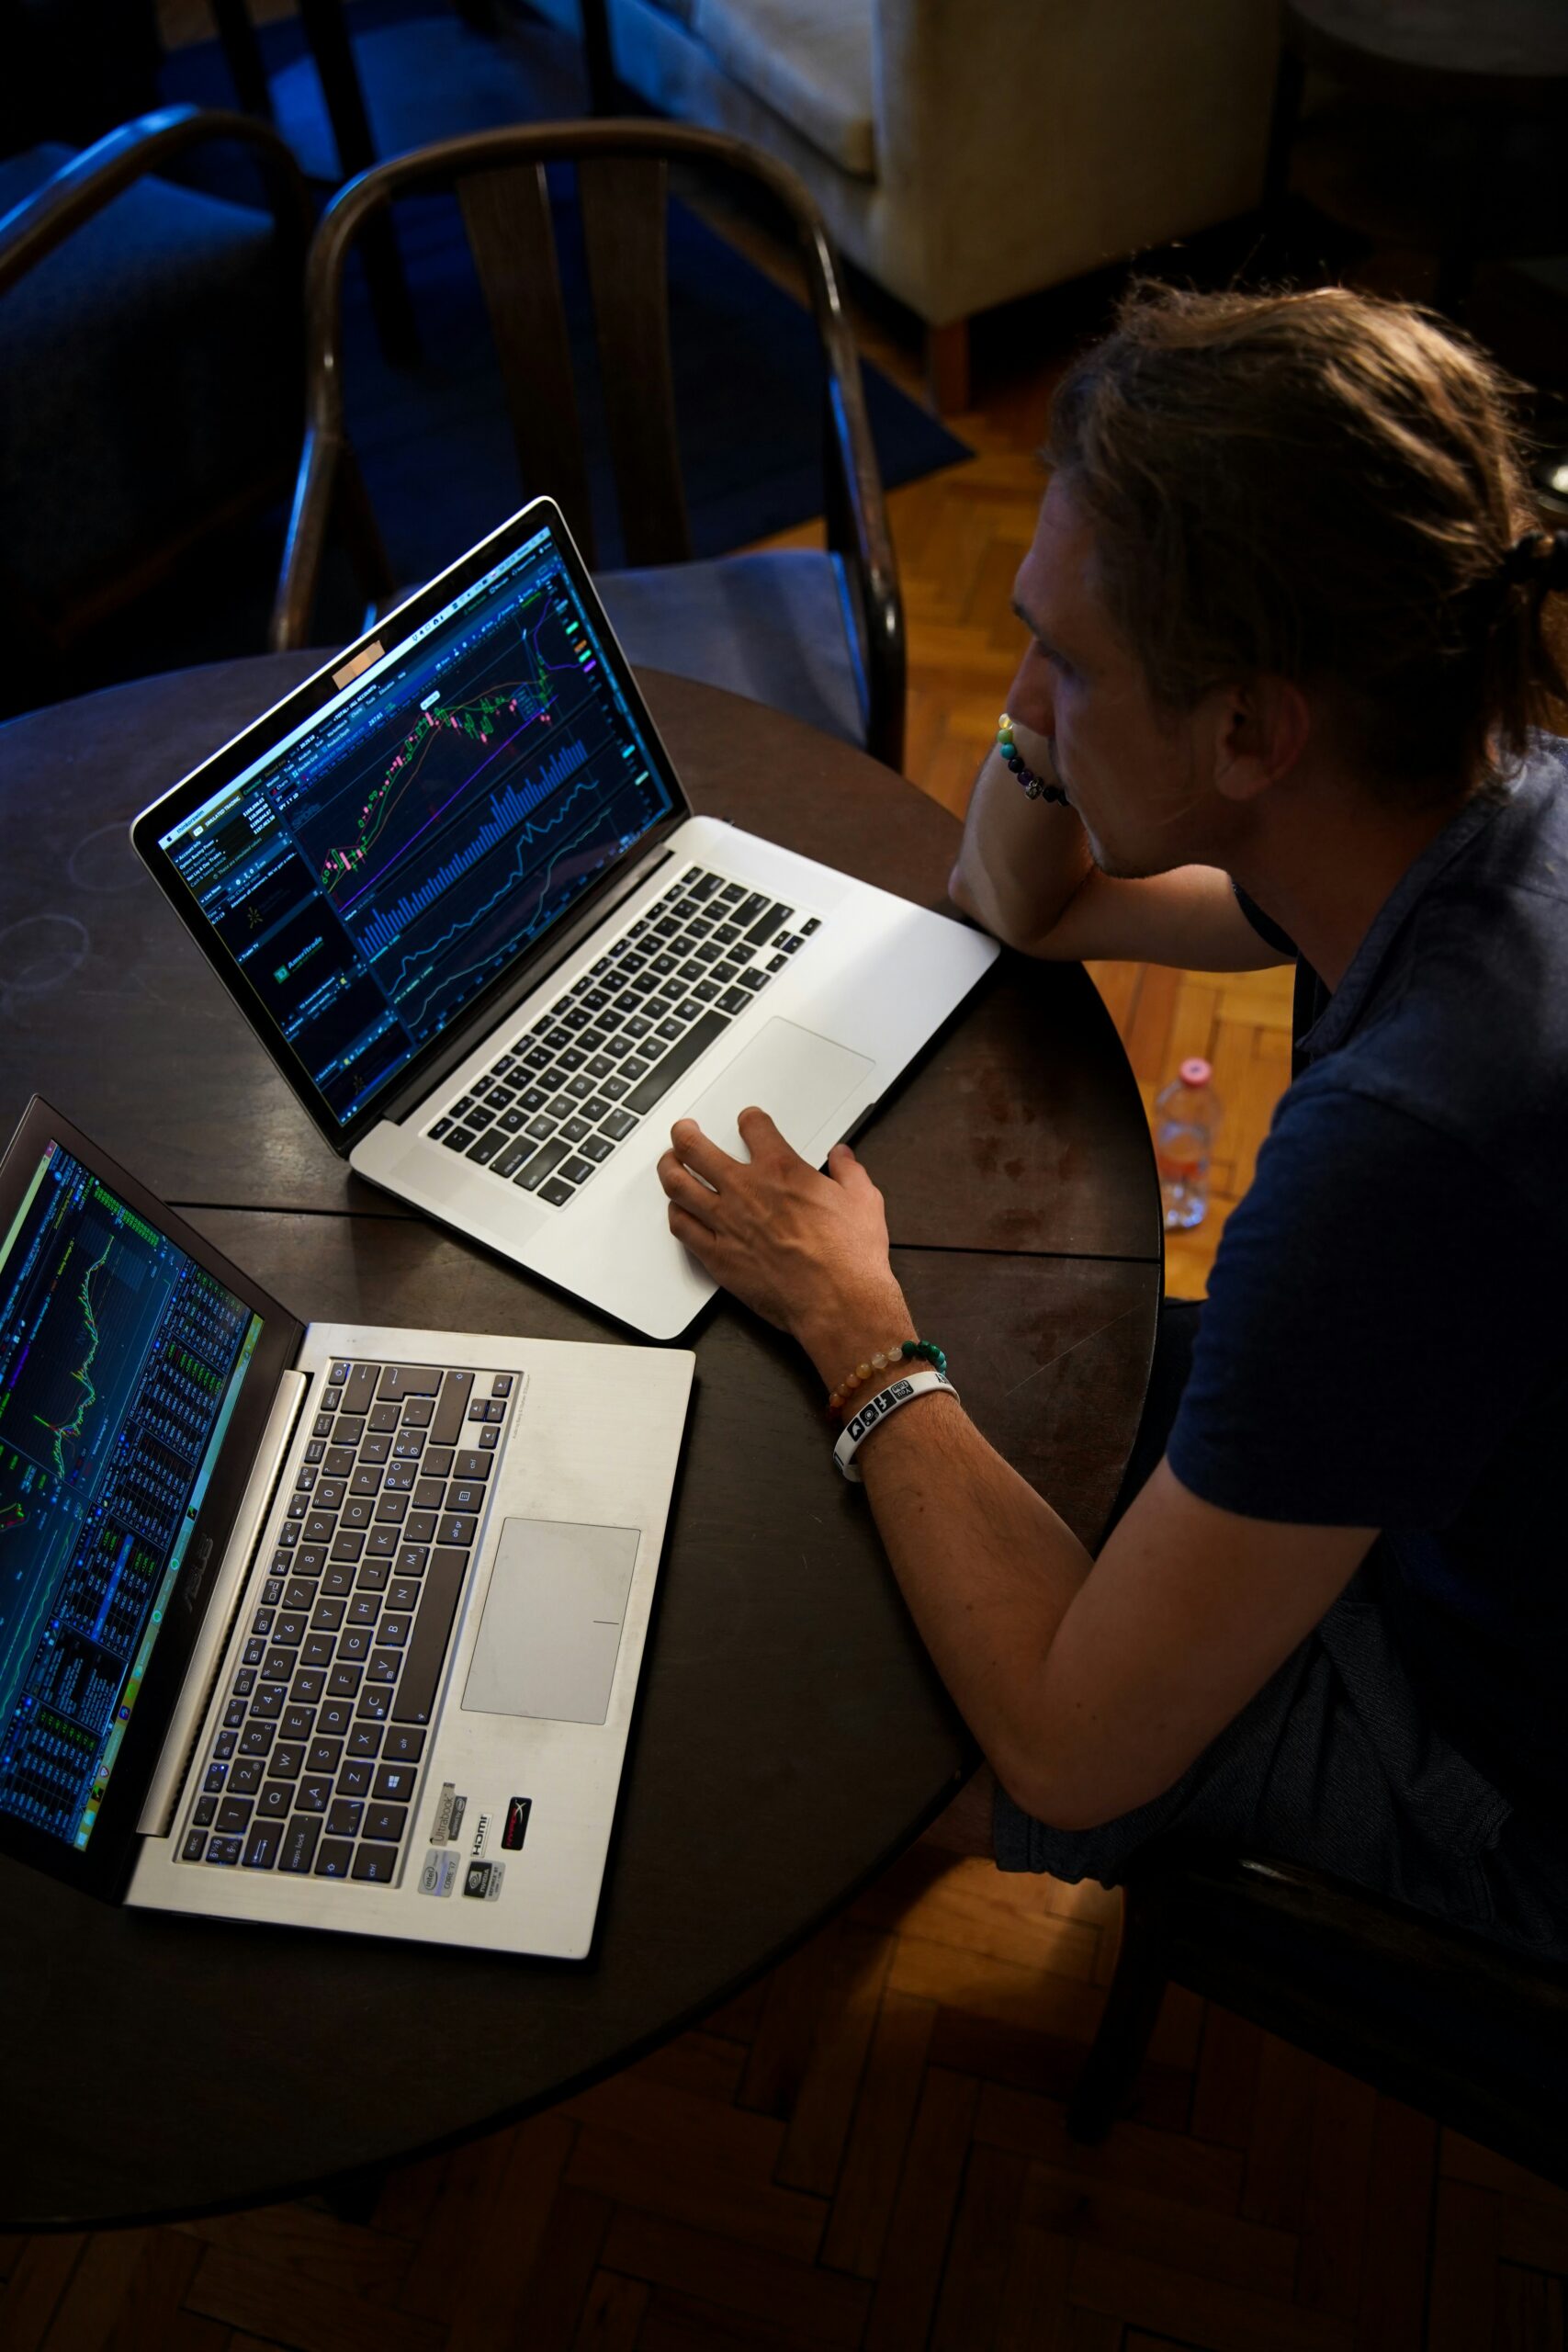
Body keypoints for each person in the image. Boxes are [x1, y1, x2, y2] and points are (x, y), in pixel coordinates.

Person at [653, 281, 1568, 1953]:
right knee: (990, 1396)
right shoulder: (1473, 804)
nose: (1025, 695)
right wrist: (1063, 680)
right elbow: (1023, 902)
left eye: (1064, 661)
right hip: (1480, 1494)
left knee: (865, 1652)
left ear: (1248, 729)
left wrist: (858, 1326)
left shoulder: (1406, 1147)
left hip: (1503, 1782)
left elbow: (1074, 1750)